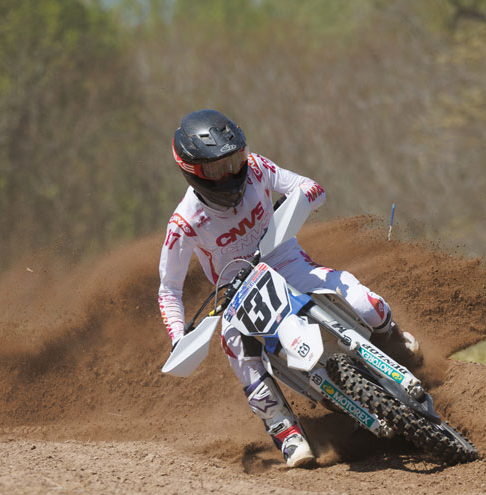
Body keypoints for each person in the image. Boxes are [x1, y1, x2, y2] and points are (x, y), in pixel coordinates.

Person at [158, 109, 420, 468]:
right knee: (238, 351)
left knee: (365, 302)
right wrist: (178, 337)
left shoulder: (257, 169)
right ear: (193, 172)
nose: (232, 173)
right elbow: (168, 289)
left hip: (285, 259)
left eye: (235, 160)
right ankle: (285, 431)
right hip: (237, 292)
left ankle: (391, 338)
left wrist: (295, 203)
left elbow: (313, 188)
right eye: (218, 169)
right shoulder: (184, 222)